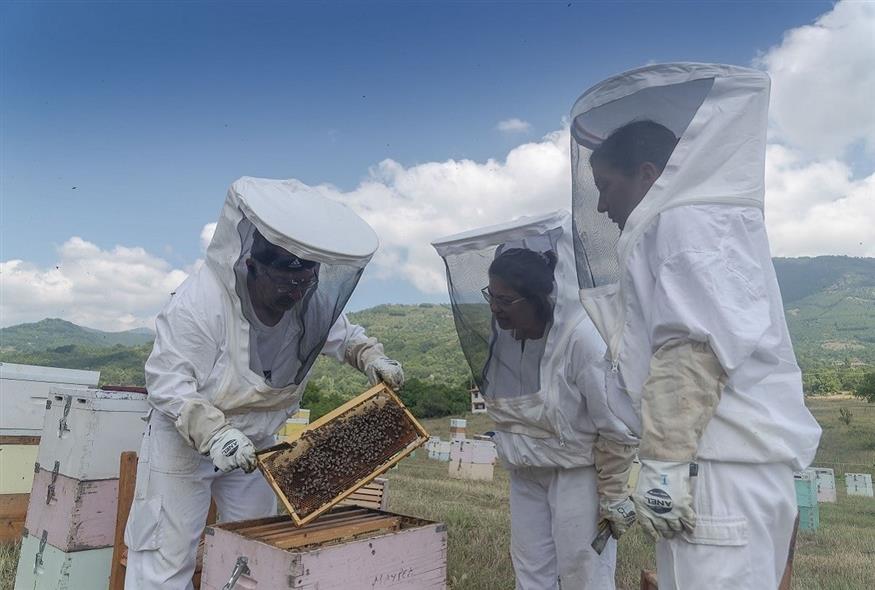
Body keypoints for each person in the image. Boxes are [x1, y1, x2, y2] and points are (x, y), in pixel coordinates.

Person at [569, 63, 822, 589]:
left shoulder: (687, 221)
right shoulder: (695, 223)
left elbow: (693, 349)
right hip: (719, 466)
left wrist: (664, 461)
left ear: (647, 173)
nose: (600, 204)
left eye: (606, 185)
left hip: (719, 469)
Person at [124, 177, 404, 589]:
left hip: (256, 444)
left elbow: (345, 335)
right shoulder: (201, 302)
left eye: (306, 280)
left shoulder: (306, 302)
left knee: (252, 554)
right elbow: (168, 380)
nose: (297, 291)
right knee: (166, 557)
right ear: (253, 264)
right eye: (287, 281)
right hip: (187, 441)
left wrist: (371, 357)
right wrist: (214, 433)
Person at [433, 211, 638, 590]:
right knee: (530, 573)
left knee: (583, 573)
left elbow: (617, 426)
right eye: (490, 296)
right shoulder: (507, 338)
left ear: (539, 298)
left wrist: (612, 493)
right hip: (524, 471)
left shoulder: (582, 341)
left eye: (505, 300)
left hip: (575, 476)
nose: (494, 308)